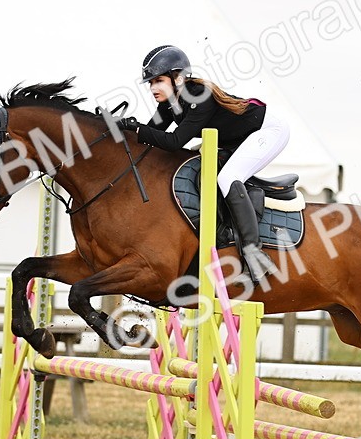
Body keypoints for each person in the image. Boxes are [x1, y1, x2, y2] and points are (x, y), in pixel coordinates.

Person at [115, 44, 288, 282]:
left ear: (177, 77)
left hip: (267, 132)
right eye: (150, 83)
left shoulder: (197, 96)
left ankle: (255, 256)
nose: (152, 88)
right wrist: (119, 130)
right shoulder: (169, 104)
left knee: (227, 178)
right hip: (237, 139)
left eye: (158, 81)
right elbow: (151, 134)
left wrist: (136, 128)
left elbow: (174, 141)